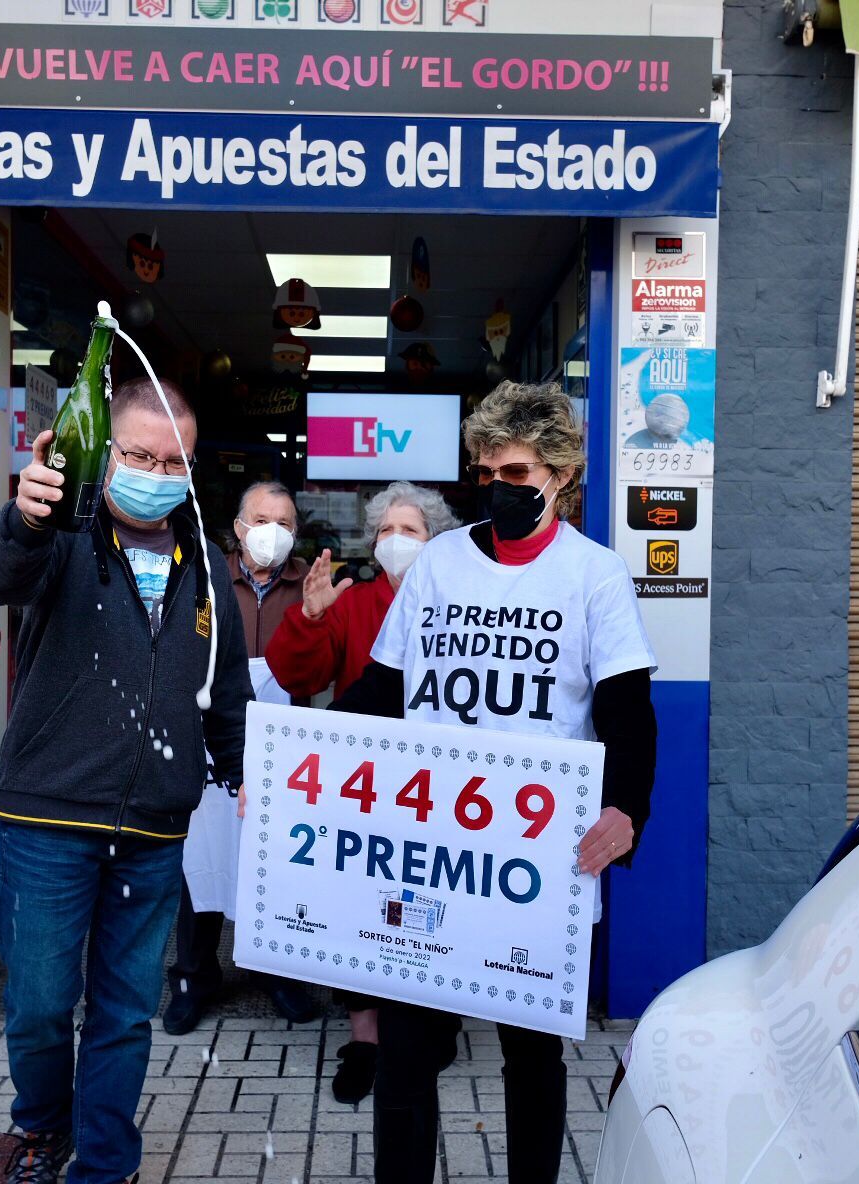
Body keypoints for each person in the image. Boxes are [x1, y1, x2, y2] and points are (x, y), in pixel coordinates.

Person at [334, 382, 658, 1184]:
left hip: (537, 858)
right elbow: (379, 692)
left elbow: (628, 713)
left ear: (558, 475)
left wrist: (629, 810)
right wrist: (288, 765)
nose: (498, 488)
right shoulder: (439, 564)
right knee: (406, 1052)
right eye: (484, 473)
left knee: (531, 1055)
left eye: (514, 472)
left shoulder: (596, 577)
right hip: (429, 847)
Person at [0, 375, 252, 1184]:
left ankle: (104, 1162)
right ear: (108, 450)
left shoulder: (204, 560)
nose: (158, 474)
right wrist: (25, 516)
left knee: (126, 1014)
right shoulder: (62, 530)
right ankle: (41, 1124)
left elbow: (223, 687)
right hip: (48, 825)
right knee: (38, 1006)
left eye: (176, 462)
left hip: (155, 833)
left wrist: (242, 777)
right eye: (139, 454)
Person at [265, 480, 460, 1103]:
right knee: (363, 913)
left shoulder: (463, 600)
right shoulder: (353, 603)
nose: (396, 542)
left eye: (411, 531)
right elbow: (301, 673)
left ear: (437, 542)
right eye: (385, 531)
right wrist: (312, 615)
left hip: (441, 789)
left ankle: (432, 1020)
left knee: (432, 906)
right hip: (363, 788)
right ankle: (365, 1038)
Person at [163, 480, 319, 1034]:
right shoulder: (201, 575)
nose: (271, 532)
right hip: (208, 736)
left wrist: (317, 617)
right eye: (260, 519)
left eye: (283, 522)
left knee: (278, 862)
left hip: (287, 748)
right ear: (237, 526)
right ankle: (192, 976)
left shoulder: (311, 587)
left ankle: (278, 972)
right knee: (200, 859)